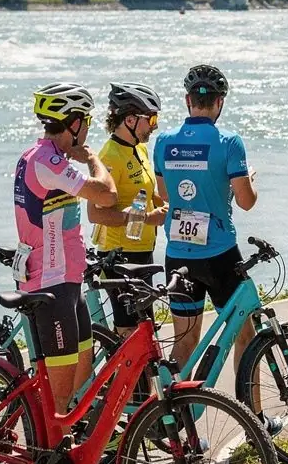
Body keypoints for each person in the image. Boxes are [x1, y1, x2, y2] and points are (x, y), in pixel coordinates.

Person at [14, 82, 117, 464]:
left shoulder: (48, 159)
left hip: (68, 282)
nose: (88, 130)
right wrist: (92, 157)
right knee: (57, 400)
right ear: (74, 123)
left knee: (80, 370)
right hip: (50, 285)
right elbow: (107, 194)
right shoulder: (47, 161)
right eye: (86, 122)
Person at [153, 63, 257, 374]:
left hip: (178, 254)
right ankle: (249, 405)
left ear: (188, 100)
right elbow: (247, 202)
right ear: (219, 102)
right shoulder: (229, 142)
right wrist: (247, 181)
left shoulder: (164, 141)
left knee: (185, 342)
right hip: (219, 255)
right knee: (246, 337)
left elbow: (165, 195)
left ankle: (172, 405)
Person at [87, 82, 168, 335]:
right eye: (151, 119)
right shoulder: (109, 156)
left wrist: (169, 204)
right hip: (119, 255)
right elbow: (95, 214)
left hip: (142, 251)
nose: (154, 126)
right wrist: (147, 218)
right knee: (129, 332)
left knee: (146, 330)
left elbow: (144, 193)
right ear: (130, 120)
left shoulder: (139, 148)